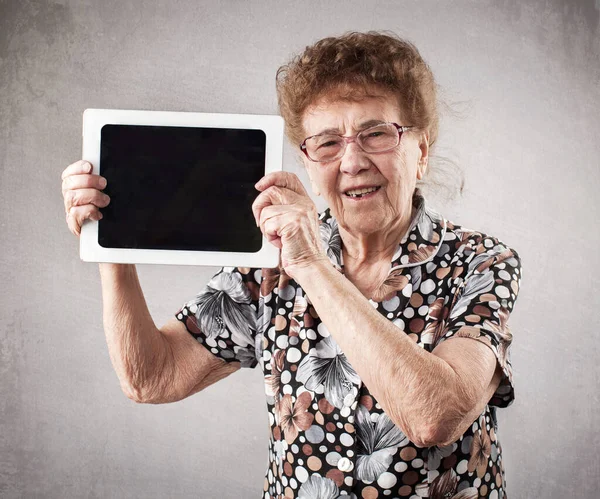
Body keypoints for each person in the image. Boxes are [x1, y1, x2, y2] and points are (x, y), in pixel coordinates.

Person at [61, 31, 522, 499]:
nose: (353, 161)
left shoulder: (480, 261)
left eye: (376, 134)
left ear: (420, 151)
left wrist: (312, 267)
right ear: (307, 162)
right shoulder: (267, 264)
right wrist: (110, 249)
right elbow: (152, 378)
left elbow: (435, 417)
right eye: (326, 144)